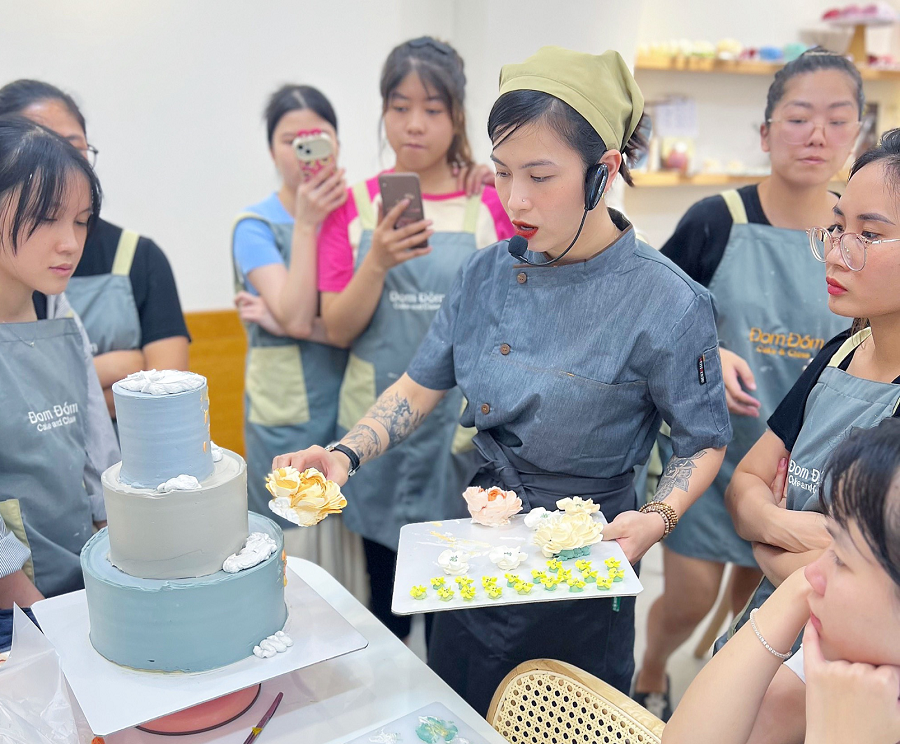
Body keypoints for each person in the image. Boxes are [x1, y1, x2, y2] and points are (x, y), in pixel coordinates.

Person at [274, 46, 731, 714]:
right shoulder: (486, 273)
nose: (515, 200)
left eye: (541, 176)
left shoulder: (667, 301)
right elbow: (419, 386)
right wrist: (344, 455)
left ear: (603, 174)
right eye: (504, 172)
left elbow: (701, 441)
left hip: (586, 555)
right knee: (463, 705)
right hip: (480, 547)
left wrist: (655, 519)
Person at [634, 48, 862, 718]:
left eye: (836, 118)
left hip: (808, 473)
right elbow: (649, 319)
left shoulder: (861, 239)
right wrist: (712, 349)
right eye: (798, 117)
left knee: (760, 616)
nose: (816, 134)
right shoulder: (717, 220)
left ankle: (715, 701)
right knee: (689, 599)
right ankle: (650, 674)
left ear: (856, 134)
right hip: (716, 455)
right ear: (765, 134)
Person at [310, 37, 514, 641]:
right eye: (400, 107)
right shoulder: (352, 208)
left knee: (459, 606)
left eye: (433, 109)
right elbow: (339, 327)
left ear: (457, 116)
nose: (415, 125)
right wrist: (375, 261)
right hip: (376, 427)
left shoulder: (492, 203)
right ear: (382, 112)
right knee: (387, 601)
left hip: (461, 431)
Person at [723, 127, 900, 648]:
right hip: (767, 634)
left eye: (868, 236)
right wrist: (794, 533)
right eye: (837, 227)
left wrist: (767, 532)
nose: (835, 253)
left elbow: (870, 592)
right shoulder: (839, 354)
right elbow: (743, 487)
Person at [663, 418, 900, 744]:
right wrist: (796, 590)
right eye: (828, 543)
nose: (812, 571)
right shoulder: (853, 652)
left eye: (842, 559)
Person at [230, 84, 365, 598]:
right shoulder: (255, 224)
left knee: (346, 538)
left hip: (349, 392)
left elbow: (337, 316)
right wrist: (307, 223)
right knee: (294, 536)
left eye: (318, 137)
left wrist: (291, 320)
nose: (305, 151)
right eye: (292, 140)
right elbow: (292, 307)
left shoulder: (356, 212)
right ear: (271, 150)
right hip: (285, 409)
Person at [0, 80, 190, 420]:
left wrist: (61, 399)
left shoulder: (138, 256)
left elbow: (167, 393)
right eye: (40, 144)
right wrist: (111, 370)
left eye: (72, 147)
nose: (69, 245)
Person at [0, 115, 119, 650]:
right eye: (48, 218)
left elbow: (95, 453)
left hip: (78, 585)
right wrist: (37, 616)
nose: (70, 243)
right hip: (18, 605)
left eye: (82, 220)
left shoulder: (59, 314)